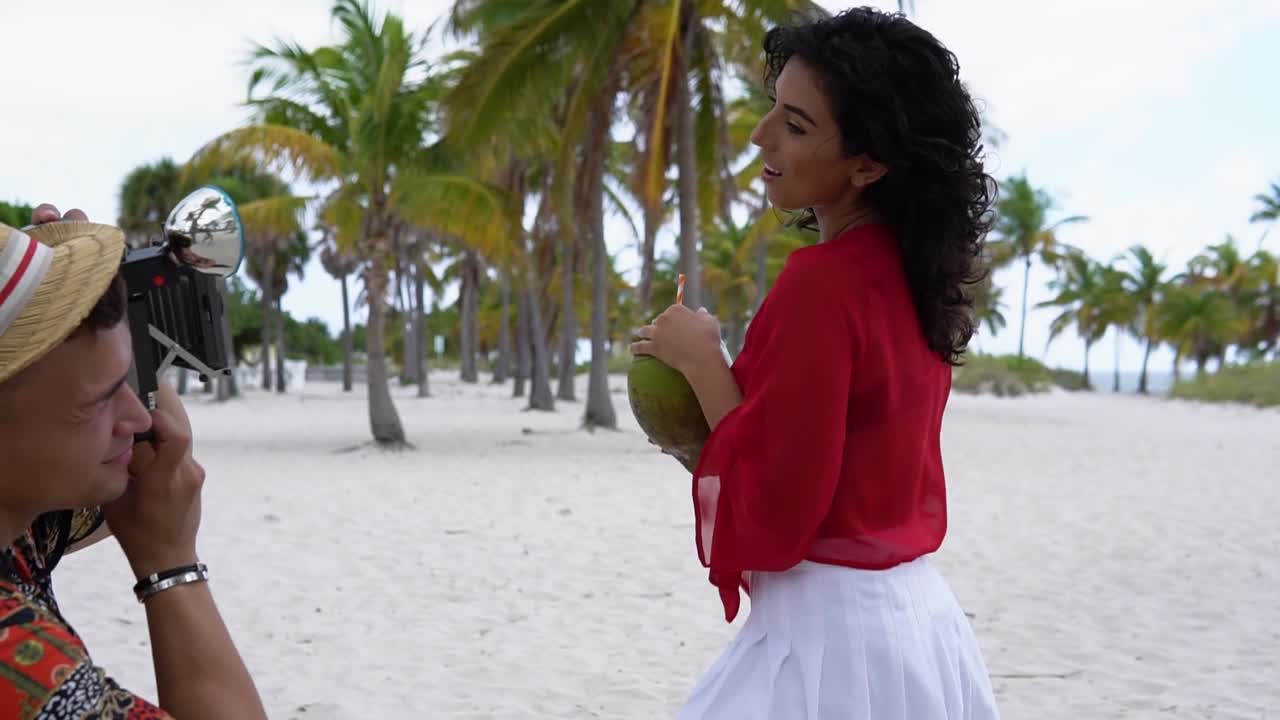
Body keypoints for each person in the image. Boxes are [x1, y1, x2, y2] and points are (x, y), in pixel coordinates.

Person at [631, 7, 1002, 719]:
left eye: (796, 126)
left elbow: (777, 510)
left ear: (869, 164)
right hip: (921, 627)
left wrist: (702, 360)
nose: (761, 135)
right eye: (774, 109)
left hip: (827, 640)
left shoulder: (820, 284)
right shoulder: (913, 278)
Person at [0, 205, 267, 719]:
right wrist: (170, 566)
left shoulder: (18, 523)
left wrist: (95, 300)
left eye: (125, 381)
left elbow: (145, 480)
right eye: (97, 401)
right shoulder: (21, 669)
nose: (137, 419)